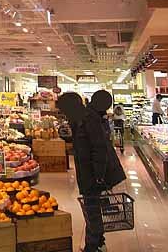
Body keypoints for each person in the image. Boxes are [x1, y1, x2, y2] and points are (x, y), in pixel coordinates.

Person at [58, 91, 126, 252]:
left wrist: (99, 176)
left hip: (94, 174)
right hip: (88, 173)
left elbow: (99, 149)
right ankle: (99, 243)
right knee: (92, 208)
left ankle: (93, 246)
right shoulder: (80, 120)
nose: (63, 114)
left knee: (92, 210)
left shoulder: (89, 120)